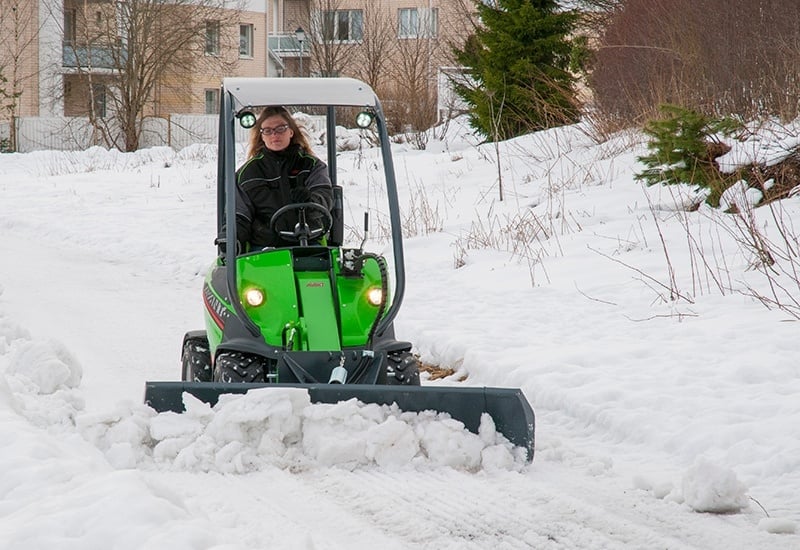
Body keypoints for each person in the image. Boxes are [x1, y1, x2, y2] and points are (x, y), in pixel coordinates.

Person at [219, 106, 333, 253]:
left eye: (280, 129)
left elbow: (325, 196)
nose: (274, 135)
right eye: (268, 131)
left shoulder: (311, 166)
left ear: (291, 131)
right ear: (262, 136)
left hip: (307, 242)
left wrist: (310, 200)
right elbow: (239, 214)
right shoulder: (248, 174)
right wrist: (232, 238)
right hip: (265, 248)